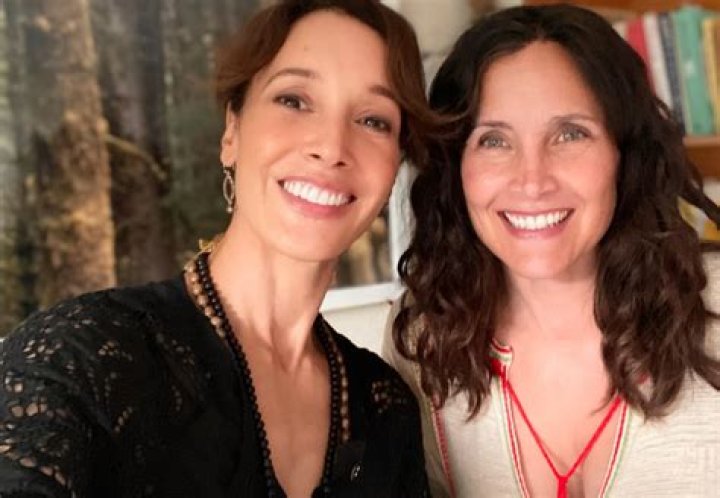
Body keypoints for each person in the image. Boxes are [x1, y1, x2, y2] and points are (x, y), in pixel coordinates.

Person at [0, 1, 436, 496]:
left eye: (373, 120)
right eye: (294, 100)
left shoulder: (385, 408)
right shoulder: (80, 359)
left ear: (394, 165)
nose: (332, 146)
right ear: (232, 131)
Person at [384, 5, 720, 498]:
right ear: (456, 168)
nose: (533, 180)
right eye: (494, 140)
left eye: (570, 133)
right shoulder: (422, 339)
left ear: (624, 154)